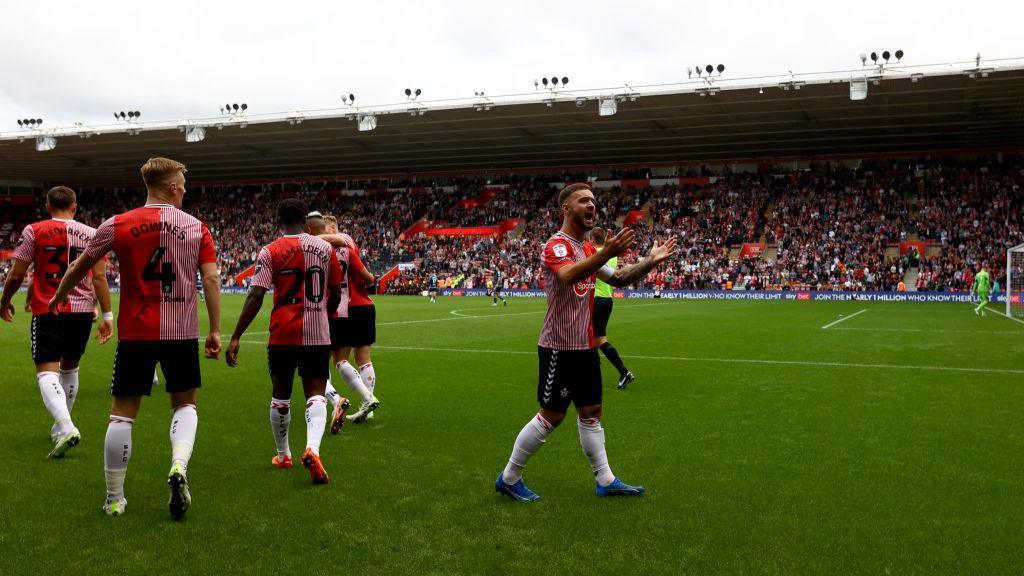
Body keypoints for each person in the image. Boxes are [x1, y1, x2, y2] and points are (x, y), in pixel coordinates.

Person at [51, 158, 222, 519]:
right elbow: (210, 280)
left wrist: (59, 296)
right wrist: (215, 330)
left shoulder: (117, 224)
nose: (186, 190)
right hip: (182, 333)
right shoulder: (197, 227)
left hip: (135, 333)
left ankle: (114, 498)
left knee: (122, 416)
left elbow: (79, 266)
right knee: (185, 405)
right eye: (184, 185)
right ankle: (178, 465)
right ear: (173, 186)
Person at [495, 183, 676, 501]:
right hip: (558, 347)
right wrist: (607, 252)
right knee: (552, 415)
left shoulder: (589, 249)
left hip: (585, 345)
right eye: (583, 201)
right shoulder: (557, 245)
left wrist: (651, 261)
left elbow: (618, 278)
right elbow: (567, 276)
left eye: (593, 201)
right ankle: (509, 477)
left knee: (591, 412)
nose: (591, 205)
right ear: (566, 208)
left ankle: (605, 480)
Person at [226, 200, 342, 485]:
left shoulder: (270, 251)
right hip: (317, 333)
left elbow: (256, 295)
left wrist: (237, 335)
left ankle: (283, 454)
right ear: (305, 220)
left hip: (283, 333)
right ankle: (313, 449)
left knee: (281, 396)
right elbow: (336, 292)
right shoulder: (326, 249)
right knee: (315, 393)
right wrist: (324, 314)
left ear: (278, 221)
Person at [1, 186, 114, 457]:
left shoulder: (34, 230)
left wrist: (4, 301)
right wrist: (108, 315)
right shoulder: (92, 233)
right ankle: (60, 428)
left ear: (48, 206)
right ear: (75, 207)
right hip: (82, 312)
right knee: (70, 369)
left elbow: (17, 275)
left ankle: (66, 426)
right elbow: (99, 278)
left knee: (46, 372)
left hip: (48, 309)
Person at [306, 212, 378, 432]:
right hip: (364, 305)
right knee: (363, 358)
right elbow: (369, 279)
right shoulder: (349, 245)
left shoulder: (323, 250)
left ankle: (353, 399)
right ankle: (368, 404)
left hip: (339, 309)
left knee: (334, 359)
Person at [587, 227, 634, 389]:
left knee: (596, 339)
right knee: (594, 338)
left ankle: (623, 371)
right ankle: (592, 373)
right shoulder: (611, 254)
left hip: (596, 299)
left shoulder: (593, 252)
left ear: (593, 239)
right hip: (607, 299)